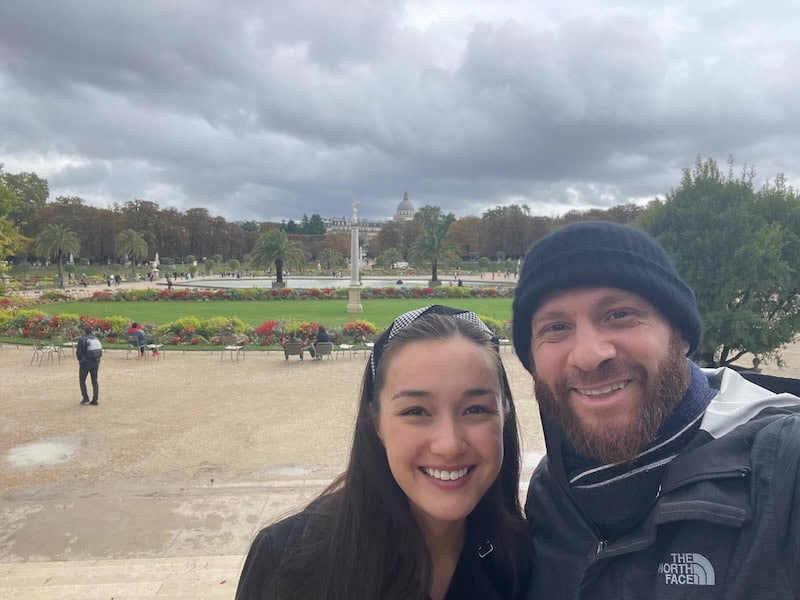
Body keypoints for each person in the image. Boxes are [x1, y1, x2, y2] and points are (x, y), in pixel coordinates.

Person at [511, 221, 800, 599]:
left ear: (679, 336)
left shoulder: (783, 466)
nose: (587, 355)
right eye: (556, 326)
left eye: (618, 314)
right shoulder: (551, 490)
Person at [237, 305, 531, 599]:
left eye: (475, 409)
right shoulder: (287, 564)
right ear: (376, 423)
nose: (449, 444)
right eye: (416, 411)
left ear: (504, 416)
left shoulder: (526, 562)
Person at [76, 325, 102, 406]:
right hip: (95, 361)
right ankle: (95, 398)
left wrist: (80, 360)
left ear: (84, 331)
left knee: (82, 380)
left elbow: (79, 352)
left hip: (85, 362)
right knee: (94, 380)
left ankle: (85, 397)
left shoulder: (82, 339)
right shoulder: (96, 339)